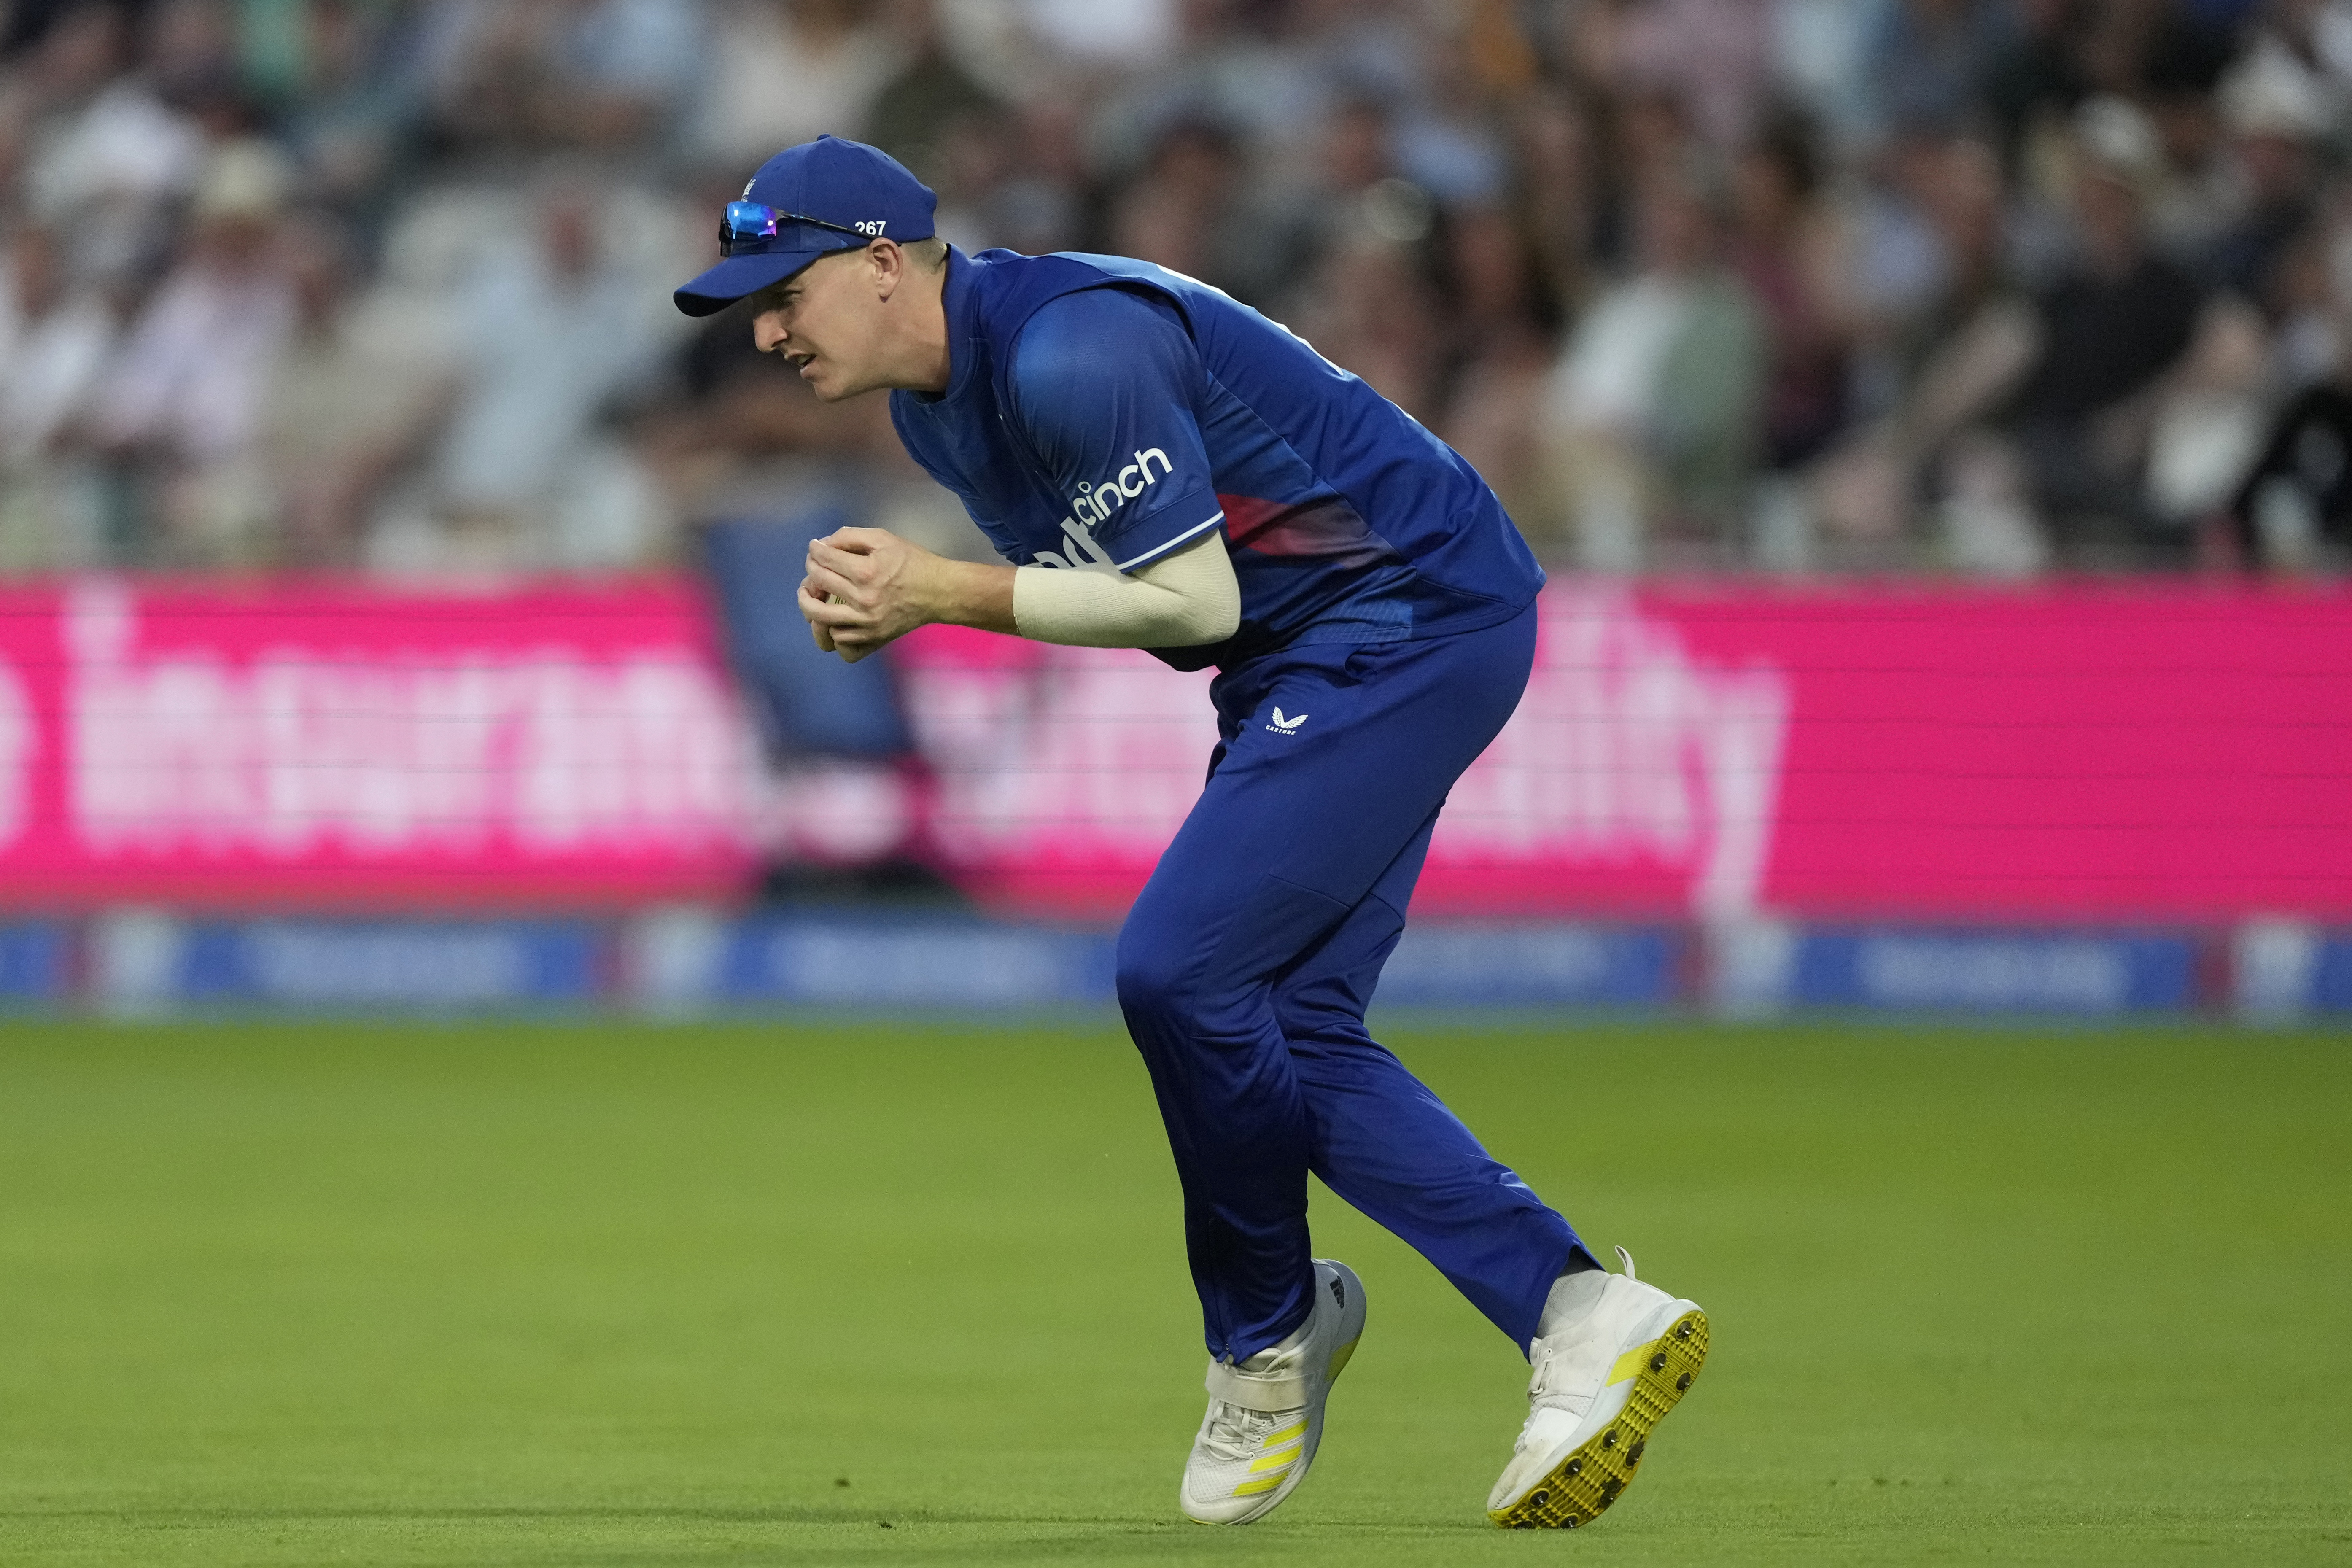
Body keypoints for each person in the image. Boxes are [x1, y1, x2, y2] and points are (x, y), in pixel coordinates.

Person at [672, 135, 1711, 1530]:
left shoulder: (1066, 355)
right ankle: (1576, 1310)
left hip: (1407, 616)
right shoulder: (937, 409)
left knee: (1180, 970)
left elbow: (1190, 601)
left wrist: (940, 590)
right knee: (1287, 1027)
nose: (767, 327)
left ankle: (1266, 1341)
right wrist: (916, 597)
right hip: (1312, 652)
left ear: (877, 264)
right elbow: (1137, 586)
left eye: (783, 290)